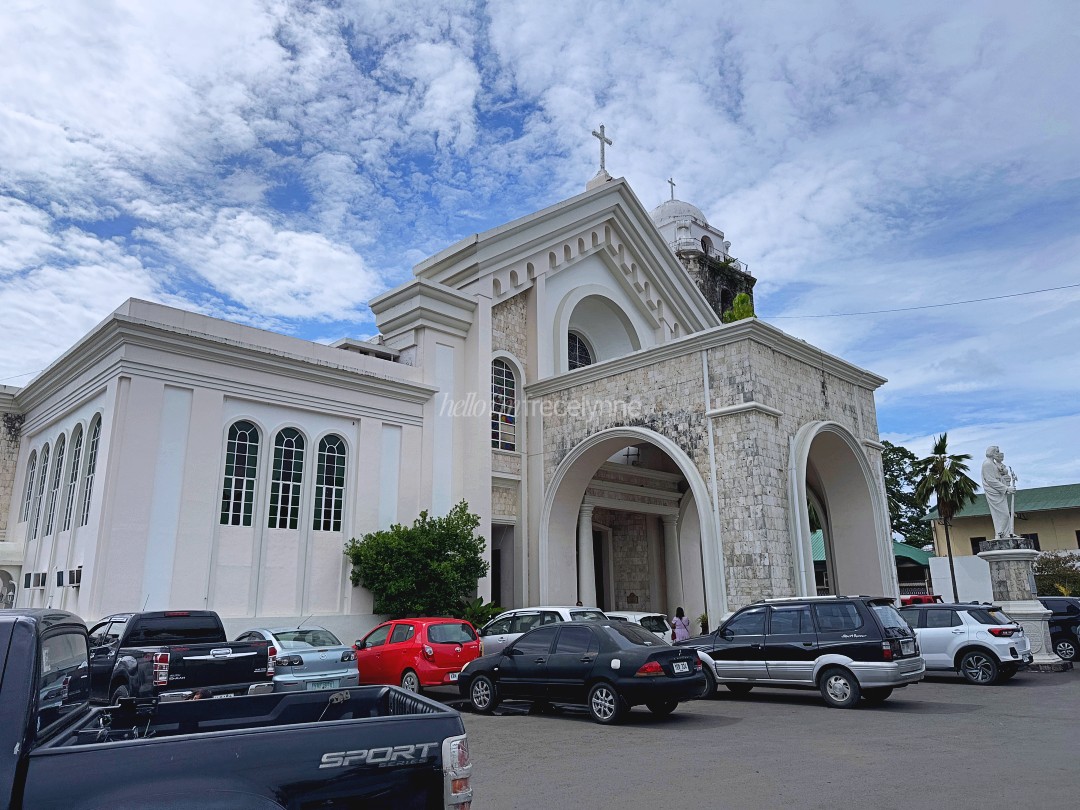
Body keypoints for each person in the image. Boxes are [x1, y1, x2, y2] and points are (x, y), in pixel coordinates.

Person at [981, 445, 1016, 538]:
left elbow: (1000, 478)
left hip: (1000, 492)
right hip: (993, 492)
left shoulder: (995, 464)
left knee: (1005, 514)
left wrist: (1006, 480)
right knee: (1003, 514)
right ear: (992, 453)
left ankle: (1007, 533)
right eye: (997, 451)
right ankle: (1000, 533)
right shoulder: (987, 464)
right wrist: (1006, 488)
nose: (998, 453)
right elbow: (990, 480)